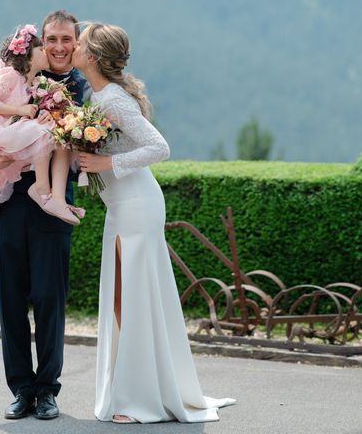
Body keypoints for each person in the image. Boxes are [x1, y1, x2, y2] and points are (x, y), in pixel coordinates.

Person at [72, 22, 236, 424]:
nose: (71, 48)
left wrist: (107, 163)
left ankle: (137, 399)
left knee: (131, 300)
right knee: (120, 300)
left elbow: (159, 147)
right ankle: (134, 390)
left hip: (137, 205)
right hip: (120, 206)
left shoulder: (112, 100)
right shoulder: (97, 95)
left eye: (77, 44)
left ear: (92, 56)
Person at [0, 10, 88, 421]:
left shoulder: (81, 87)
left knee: (50, 300)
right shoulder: (13, 73)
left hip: (49, 205)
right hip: (2, 207)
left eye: (68, 39)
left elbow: (86, 136)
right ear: (41, 42)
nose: (60, 47)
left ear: (77, 42)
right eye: (53, 39)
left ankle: (48, 390)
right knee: (9, 302)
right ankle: (21, 390)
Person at [0, 23, 81, 225]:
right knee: (47, 131)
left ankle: (51, 196)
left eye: (66, 39)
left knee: (53, 131)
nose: (50, 51)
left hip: (15, 134)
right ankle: (42, 190)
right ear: (29, 54)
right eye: (43, 47)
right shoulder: (11, 74)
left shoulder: (34, 83)